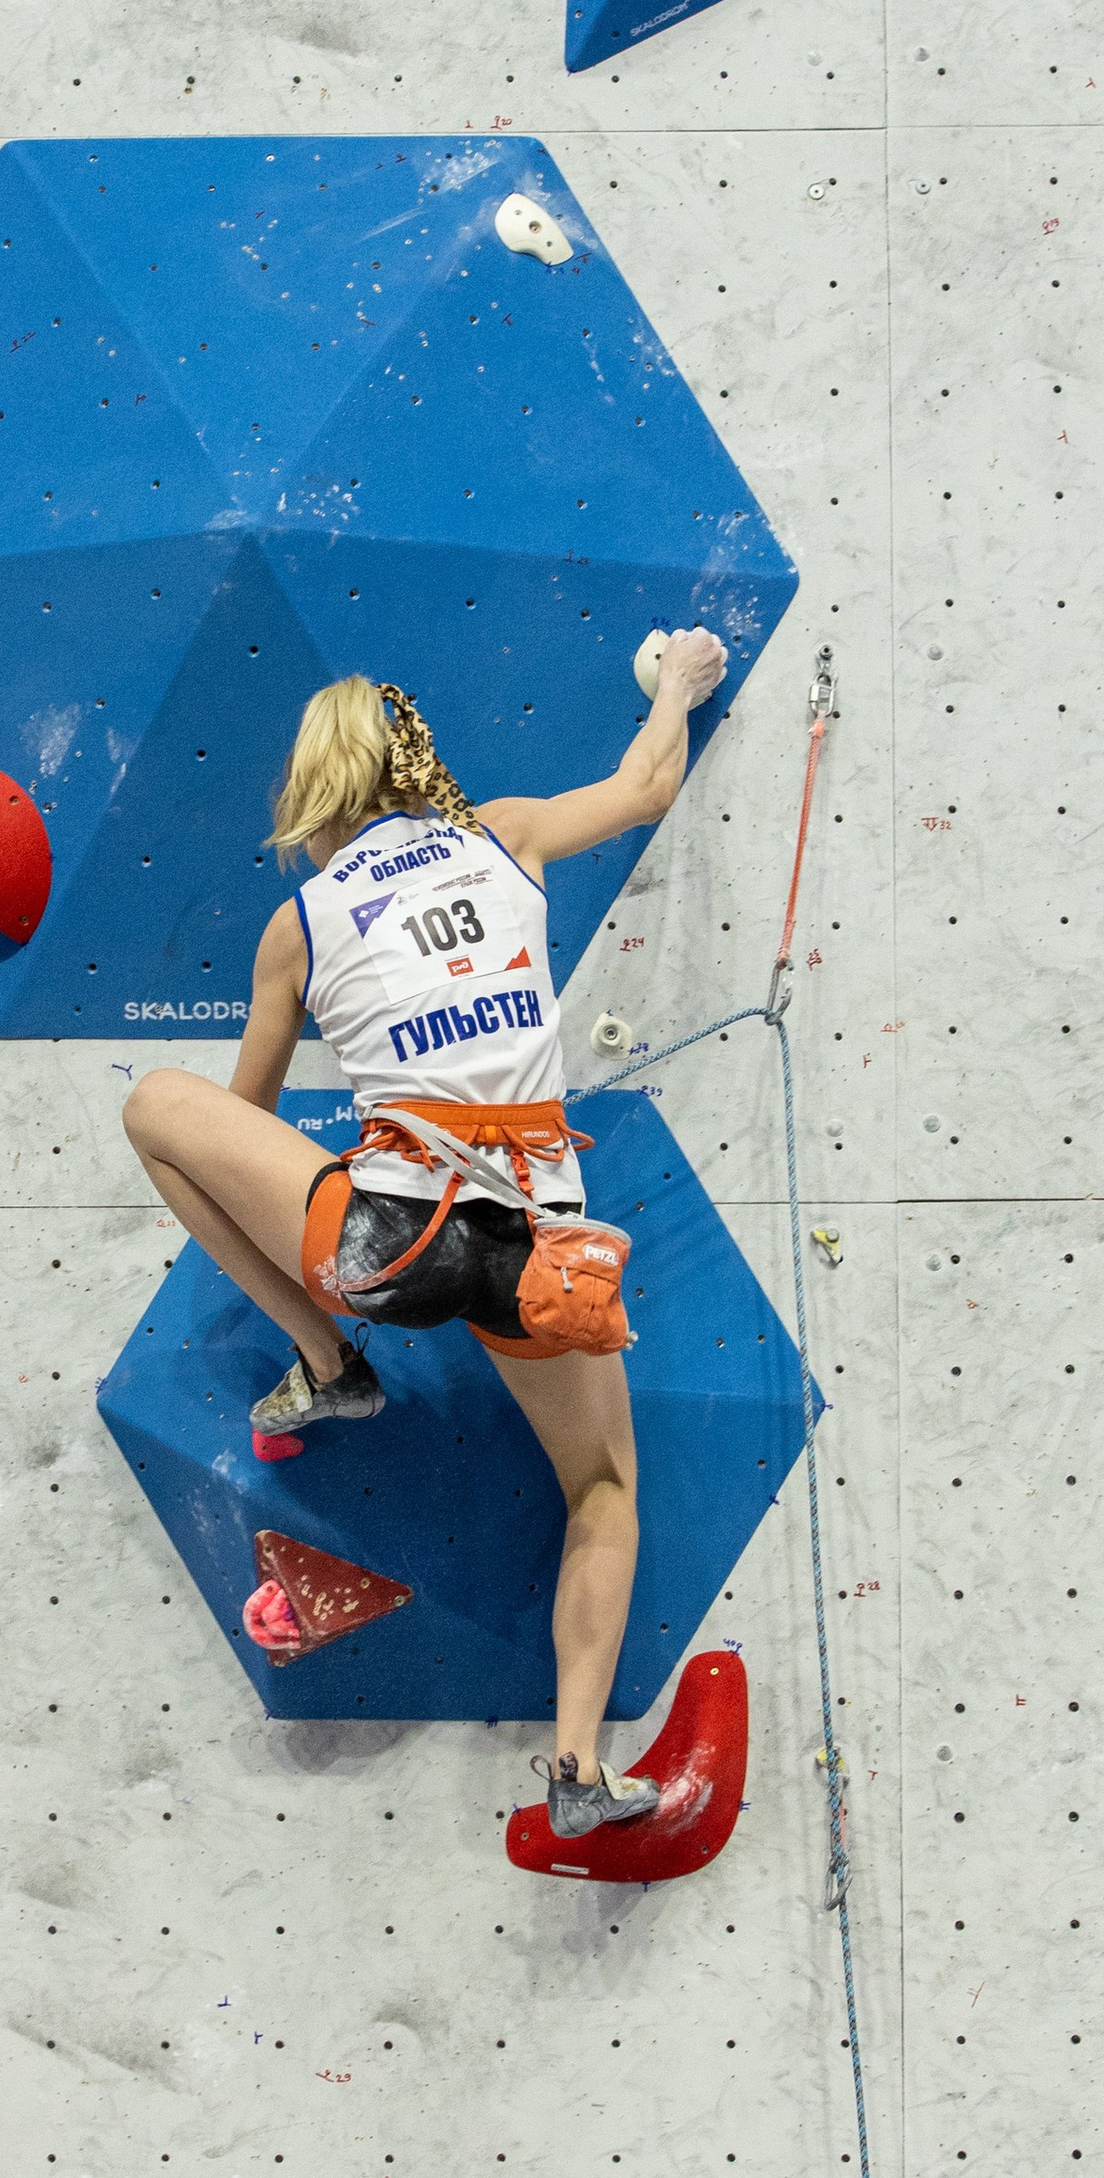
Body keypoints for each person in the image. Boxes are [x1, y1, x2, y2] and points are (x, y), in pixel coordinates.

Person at [121, 635, 727, 1837]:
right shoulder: (504, 833)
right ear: (415, 771)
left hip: (391, 1243)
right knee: (603, 1487)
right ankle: (573, 1768)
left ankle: (331, 1366)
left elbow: (233, 1125)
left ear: (313, 795)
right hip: (537, 1253)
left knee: (157, 1113)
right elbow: (650, 787)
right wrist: (676, 688)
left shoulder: (296, 927)